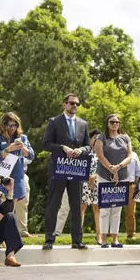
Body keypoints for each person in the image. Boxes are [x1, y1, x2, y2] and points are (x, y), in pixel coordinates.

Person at [42, 93, 91, 250]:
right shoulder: (54, 122)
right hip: (59, 168)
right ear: (64, 105)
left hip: (77, 169)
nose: (74, 106)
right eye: (71, 103)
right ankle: (49, 239)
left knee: (76, 205)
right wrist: (62, 147)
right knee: (54, 203)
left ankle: (77, 240)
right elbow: (46, 144)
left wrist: (81, 150)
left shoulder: (83, 124)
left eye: (77, 103)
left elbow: (89, 146)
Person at [94, 114, 133, 248]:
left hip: (122, 175)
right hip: (104, 175)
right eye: (112, 122)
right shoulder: (101, 137)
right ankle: (103, 239)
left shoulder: (125, 138)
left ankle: (115, 239)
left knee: (117, 208)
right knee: (105, 208)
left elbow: (129, 156)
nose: (115, 124)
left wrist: (118, 167)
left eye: (117, 122)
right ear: (107, 124)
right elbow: (100, 155)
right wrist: (112, 169)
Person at [0, 112, 35, 218]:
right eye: (10, 125)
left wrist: (23, 148)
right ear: (4, 125)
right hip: (1, 176)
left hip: (16, 177)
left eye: (15, 125)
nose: (13, 128)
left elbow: (31, 156)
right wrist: (8, 149)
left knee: (10, 209)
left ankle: (6, 232)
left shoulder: (22, 138)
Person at [81, 130, 101, 242]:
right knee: (82, 207)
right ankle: (79, 235)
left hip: (98, 182)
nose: (96, 140)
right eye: (94, 138)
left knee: (97, 208)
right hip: (84, 181)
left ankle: (99, 235)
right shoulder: (85, 151)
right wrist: (89, 177)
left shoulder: (102, 152)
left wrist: (95, 177)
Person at [16, 156, 33, 237]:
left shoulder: (25, 143)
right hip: (6, 173)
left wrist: (22, 148)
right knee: (5, 205)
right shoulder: (0, 142)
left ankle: (22, 231)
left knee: (23, 204)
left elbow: (30, 158)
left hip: (22, 175)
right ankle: (4, 231)